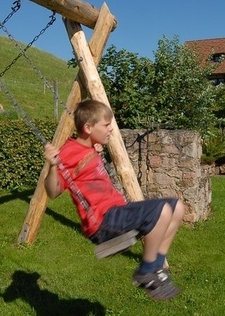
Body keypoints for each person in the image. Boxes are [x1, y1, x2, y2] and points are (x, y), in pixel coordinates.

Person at [43, 99, 184, 301]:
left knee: (176, 208)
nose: (111, 129)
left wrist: (95, 149)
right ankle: (146, 271)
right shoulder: (69, 153)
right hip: (102, 223)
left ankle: (158, 267)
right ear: (88, 128)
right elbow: (53, 192)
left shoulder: (91, 147)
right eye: (106, 125)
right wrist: (52, 165)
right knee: (161, 211)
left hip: (117, 211)